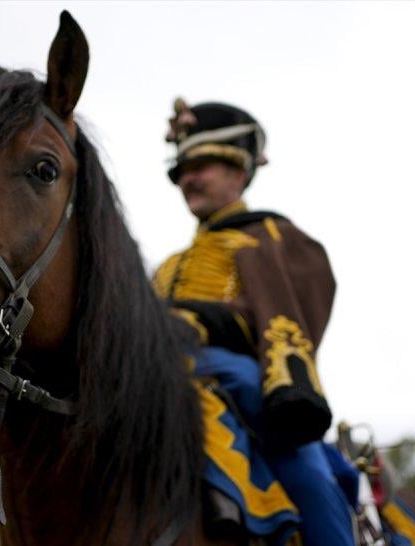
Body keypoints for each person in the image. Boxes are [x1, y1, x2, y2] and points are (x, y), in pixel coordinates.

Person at [153, 99, 356, 546]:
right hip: (155, 373)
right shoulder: (166, 266)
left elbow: (296, 311)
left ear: (239, 173)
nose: (188, 178)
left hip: (246, 381)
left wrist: (200, 323)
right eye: (182, 169)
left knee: (310, 478)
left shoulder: (275, 237)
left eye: (202, 165)